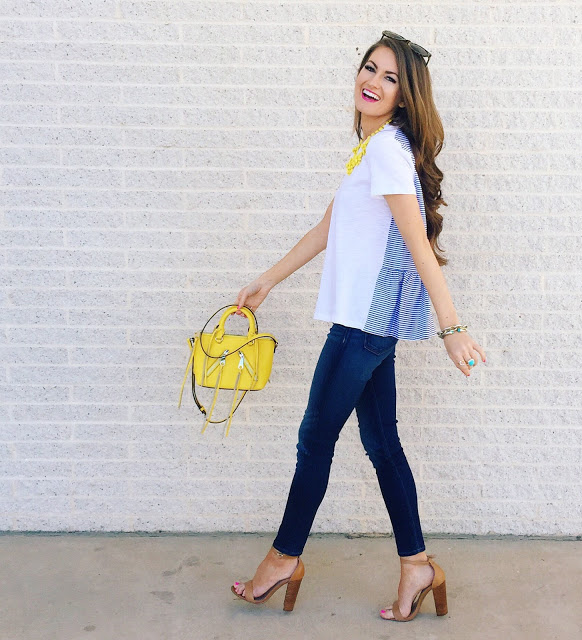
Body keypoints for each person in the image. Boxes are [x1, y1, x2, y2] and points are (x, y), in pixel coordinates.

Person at [230, 31, 486, 622]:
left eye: (390, 77)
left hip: (362, 326)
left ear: (406, 95)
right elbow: (329, 227)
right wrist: (269, 279)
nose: (373, 81)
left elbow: (419, 246)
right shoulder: (371, 150)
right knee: (381, 444)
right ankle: (416, 565)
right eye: (370, 68)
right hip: (368, 323)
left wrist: (452, 328)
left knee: (314, 441)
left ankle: (283, 559)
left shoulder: (388, 152)